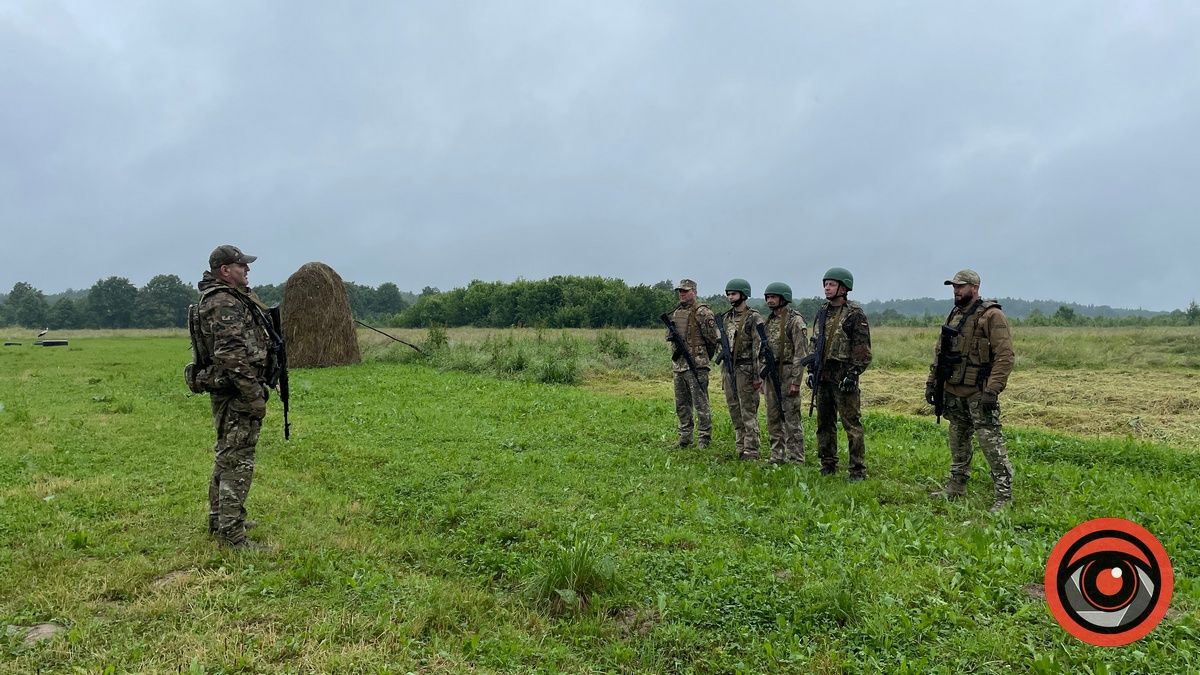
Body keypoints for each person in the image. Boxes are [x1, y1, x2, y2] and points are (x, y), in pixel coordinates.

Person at [195, 245, 273, 549]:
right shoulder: (223, 301)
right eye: (242, 265)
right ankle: (232, 535)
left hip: (230, 389)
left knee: (227, 454)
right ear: (225, 270)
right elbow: (231, 354)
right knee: (238, 461)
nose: (247, 269)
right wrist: (253, 395)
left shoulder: (227, 297)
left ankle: (221, 519)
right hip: (236, 392)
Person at [926, 269, 1015, 512]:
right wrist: (932, 382)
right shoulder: (955, 314)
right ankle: (956, 487)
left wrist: (992, 390)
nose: (956, 291)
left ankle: (1004, 495)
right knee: (958, 440)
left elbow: (1005, 356)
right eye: (954, 287)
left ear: (974, 288)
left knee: (990, 443)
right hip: (954, 389)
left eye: (961, 286)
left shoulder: (992, 315)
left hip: (978, 391)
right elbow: (940, 352)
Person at [808, 267, 871, 480]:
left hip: (843, 375)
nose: (827, 288)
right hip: (823, 375)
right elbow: (815, 342)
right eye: (825, 284)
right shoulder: (822, 312)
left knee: (851, 424)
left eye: (832, 284)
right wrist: (811, 370)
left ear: (843, 288)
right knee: (824, 423)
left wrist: (852, 374)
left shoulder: (854, 314)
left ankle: (857, 470)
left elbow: (862, 350)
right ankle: (827, 464)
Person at [666, 279, 719, 449]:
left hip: (697, 364)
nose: (681, 294)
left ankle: (704, 438)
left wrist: (702, 357)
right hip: (679, 365)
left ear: (694, 292)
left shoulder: (703, 312)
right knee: (681, 404)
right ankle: (685, 437)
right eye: (680, 291)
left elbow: (712, 340)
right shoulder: (676, 312)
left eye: (685, 291)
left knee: (700, 403)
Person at [762, 282, 809, 464]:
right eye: (768, 297)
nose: (769, 300)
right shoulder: (768, 321)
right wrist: (762, 377)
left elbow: (800, 353)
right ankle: (777, 455)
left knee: (791, 416)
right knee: (773, 416)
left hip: (788, 371)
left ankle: (796, 457)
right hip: (771, 372)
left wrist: (796, 381)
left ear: (783, 298)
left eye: (773, 297)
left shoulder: (794, 321)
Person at [719, 278, 764, 460]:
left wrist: (757, 375)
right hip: (729, 368)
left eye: (734, 294)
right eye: (728, 294)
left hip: (746, 368)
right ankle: (740, 445)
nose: (730, 297)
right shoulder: (726, 318)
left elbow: (757, 348)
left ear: (744, 295)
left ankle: (751, 449)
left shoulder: (754, 317)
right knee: (734, 408)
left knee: (748, 409)